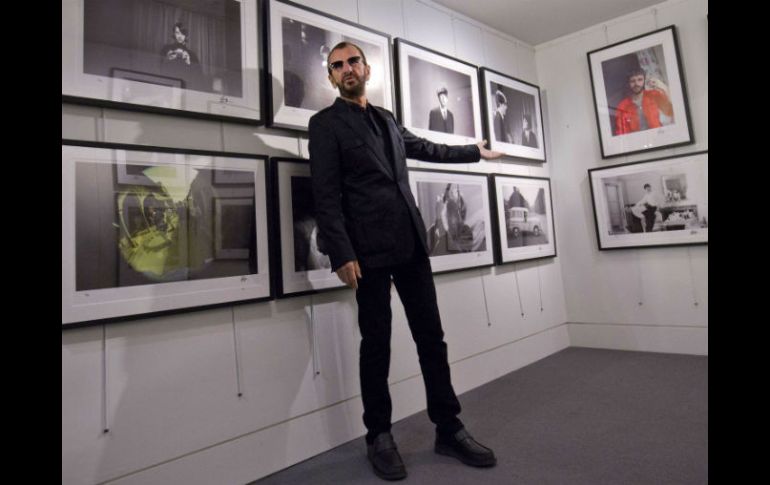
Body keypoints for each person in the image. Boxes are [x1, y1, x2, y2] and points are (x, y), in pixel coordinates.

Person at [309, 42, 502, 481]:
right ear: (331, 77)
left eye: (352, 61)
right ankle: (379, 435)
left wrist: (474, 151)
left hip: (411, 244)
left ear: (367, 67)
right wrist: (341, 252)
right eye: (336, 66)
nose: (346, 70)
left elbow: (427, 148)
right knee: (376, 345)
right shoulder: (324, 125)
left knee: (431, 338)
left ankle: (448, 429)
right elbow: (325, 194)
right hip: (367, 252)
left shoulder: (387, 119)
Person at [614, 68, 674, 135]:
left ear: (644, 81)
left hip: (658, 136)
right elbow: (621, 132)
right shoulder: (622, 105)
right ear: (628, 83)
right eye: (632, 81)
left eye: (640, 79)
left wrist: (660, 85)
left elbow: (670, 111)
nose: (636, 83)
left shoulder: (654, 95)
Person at [159, 22, 203, 90]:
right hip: (168, 87)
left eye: (183, 33)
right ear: (174, 33)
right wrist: (167, 59)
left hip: (185, 89)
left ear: (186, 35)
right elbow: (158, 69)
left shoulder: (192, 55)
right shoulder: (166, 49)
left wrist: (189, 63)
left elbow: (199, 79)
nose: (180, 36)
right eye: (177, 32)